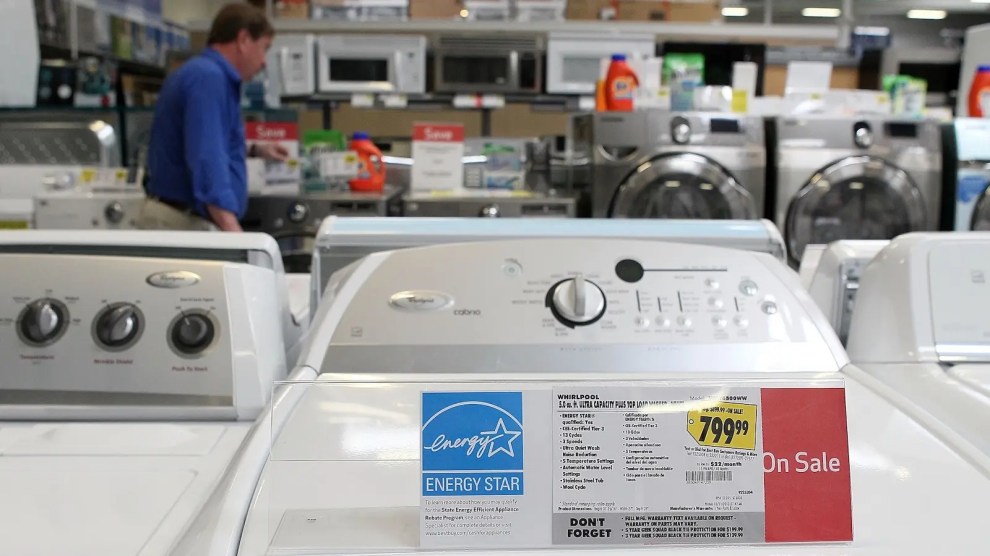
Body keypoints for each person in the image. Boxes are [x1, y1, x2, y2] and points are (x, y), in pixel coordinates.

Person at [140, 3, 287, 232]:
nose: (264, 62)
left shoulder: (206, 75)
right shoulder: (208, 78)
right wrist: (233, 231)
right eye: (264, 48)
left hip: (185, 217)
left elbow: (206, 140)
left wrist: (255, 150)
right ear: (244, 39)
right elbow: (207, 158)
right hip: (180, 221)